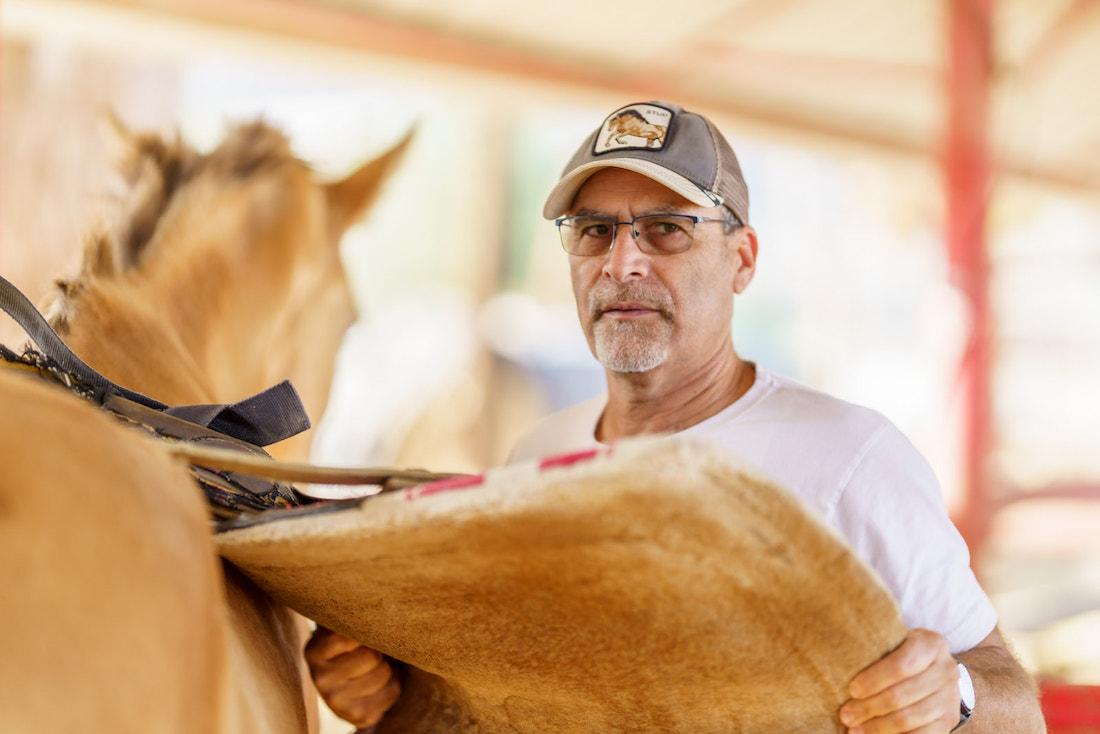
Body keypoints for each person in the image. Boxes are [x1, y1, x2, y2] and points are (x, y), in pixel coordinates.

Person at [305, 101, 1045, 733]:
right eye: (593, 230)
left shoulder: (851, 457)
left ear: (742, 260)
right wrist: (388, 698)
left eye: (666, 229)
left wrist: (955, 697)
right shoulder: (536, 456)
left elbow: (1019, 707)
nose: (622, 262)